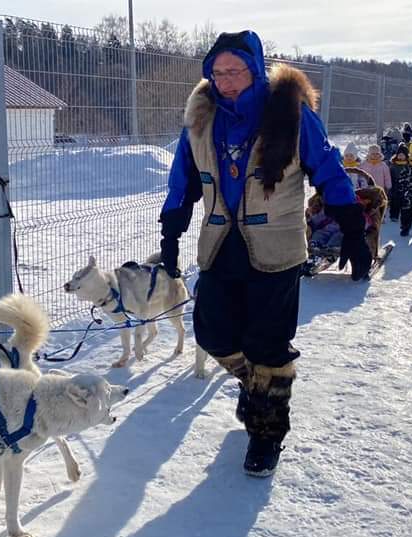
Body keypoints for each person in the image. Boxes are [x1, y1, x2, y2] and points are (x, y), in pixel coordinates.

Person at [158, 31, 369, 477]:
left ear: (255, 69)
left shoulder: (289, 114)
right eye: (218, 72)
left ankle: (266, 433)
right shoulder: (201, 118)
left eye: (235, 70)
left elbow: (327, 168)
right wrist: (171, 231)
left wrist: (352, 226)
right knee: (212, 333)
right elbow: (183, 180)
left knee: (267, 344)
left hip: (277, 247)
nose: (226, 80)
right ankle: (258, 387)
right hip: (219, 246)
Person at [389, 143, 410, 222]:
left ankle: (405, 215)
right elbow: (390, 174)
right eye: (399, 154)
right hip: (395, 185)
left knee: (405, 201)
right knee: (395, 201)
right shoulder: (393, 165)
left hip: (405, 185)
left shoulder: (408, 165)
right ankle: (394, 215)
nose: (400, 156)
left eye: (402, 155)